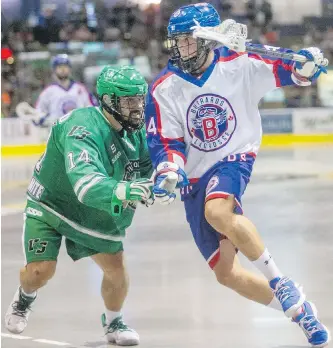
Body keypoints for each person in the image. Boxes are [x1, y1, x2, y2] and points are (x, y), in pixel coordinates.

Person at [145, 3, 330, 347]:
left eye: (187, 40)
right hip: (196, 178)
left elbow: (292, 71)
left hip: (234, 157)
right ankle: (301, 312)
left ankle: (280, 282)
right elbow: (167, 141)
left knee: (217, 212)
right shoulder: (164, 88)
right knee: (226, 274)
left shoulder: (241, 63)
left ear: (206, 41)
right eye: (177, 41)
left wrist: (307, 65)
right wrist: (170, 168)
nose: (179, 48)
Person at [5, 65, 154, 346]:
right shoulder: (82, 128)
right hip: (51, 203)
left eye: (139, 100)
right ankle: (25, 297)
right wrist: (127, 189)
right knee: (40, 272)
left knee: (117, 270)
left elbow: (146, 166)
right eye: (129, 101)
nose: (136, 107)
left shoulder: (135, 131)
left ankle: (113, 323)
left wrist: (160, 179)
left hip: (91, 211)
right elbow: (86, 185)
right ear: (109, 101)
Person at [34, 54, 97, 127]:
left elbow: (93, 110)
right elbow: (38, 113)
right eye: (60, 67)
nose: (63, 69)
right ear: (54, 70)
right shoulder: (48, 92)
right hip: (58, 135)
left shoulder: (81, 89)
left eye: (65, 66)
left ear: (70, 69)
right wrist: (42, 119)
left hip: (80, 133)